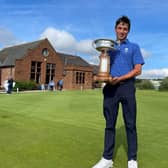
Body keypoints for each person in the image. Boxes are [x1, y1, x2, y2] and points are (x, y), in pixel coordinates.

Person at [92, 16, 145, 168]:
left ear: (128, 31)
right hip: (110, 88)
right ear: (115, 29)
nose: (122, 31)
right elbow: (105, 69)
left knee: (130, 124)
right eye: (120, 28)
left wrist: (120, 78)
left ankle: (132, 160)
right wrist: (102, 62)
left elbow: (138, 70)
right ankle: (107, 158)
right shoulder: (109, 48)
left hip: (127, 87)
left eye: (125, 29)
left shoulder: (134, 47)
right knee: (109, 124)